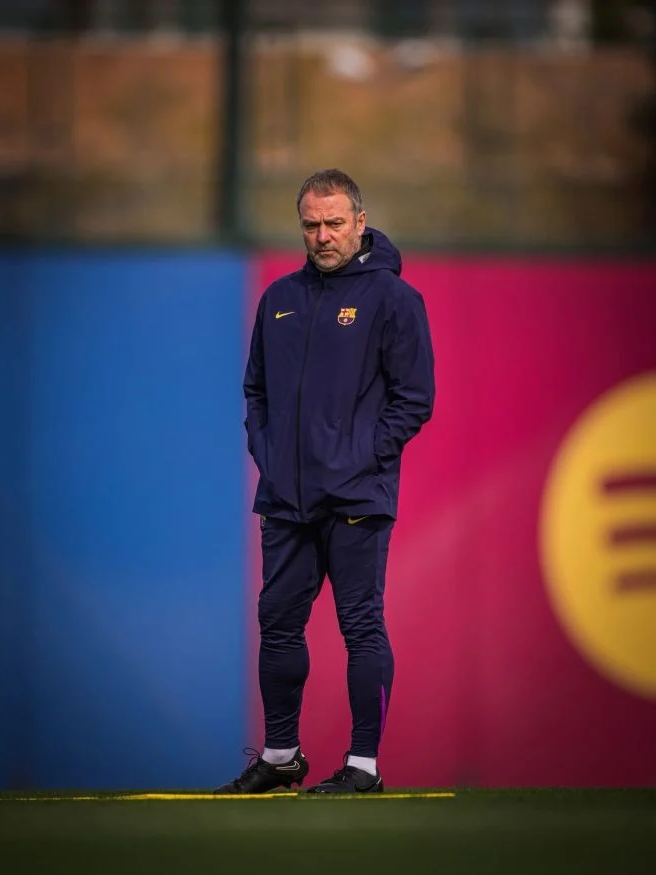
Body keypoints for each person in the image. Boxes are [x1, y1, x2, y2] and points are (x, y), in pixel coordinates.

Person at [215, 169, 435, 794]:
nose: (322, 235)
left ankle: (363, 767)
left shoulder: (395, 299)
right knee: (277, 620)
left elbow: (415, 399)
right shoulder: (278, 299)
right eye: (311, 225)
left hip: (357, 495)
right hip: (286, 495)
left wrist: (360, 456)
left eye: (334, 223)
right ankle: (281, 754)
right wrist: (268, 453)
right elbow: (255, 390)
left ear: (360, 223)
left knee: (360, 625)